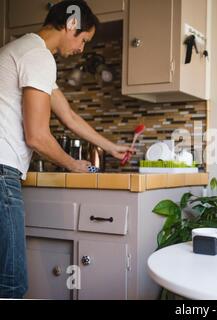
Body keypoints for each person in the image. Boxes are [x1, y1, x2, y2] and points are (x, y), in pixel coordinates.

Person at [0, 0, 133, 298]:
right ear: (71, 25)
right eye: (83, 40)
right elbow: (36, 136)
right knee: (9, 284)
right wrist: (73, 164)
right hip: (1, 174)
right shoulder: (38, 57)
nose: (82, 49)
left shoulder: (24, 50)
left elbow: (69, 115)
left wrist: (110, 146)